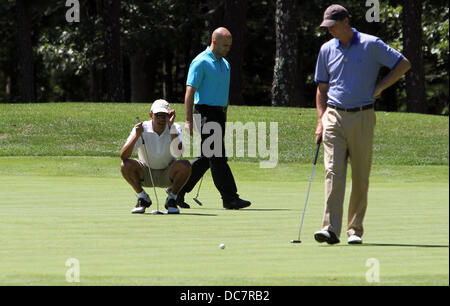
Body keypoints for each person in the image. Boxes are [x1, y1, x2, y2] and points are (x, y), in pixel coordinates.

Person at [313, 4, 411, 244]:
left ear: (346, 21)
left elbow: (403, 64)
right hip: (334, 116)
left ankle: (354, 229)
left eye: (333, 26)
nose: (330, 31)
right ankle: (330, 228)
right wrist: (320, 119)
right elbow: (322, 88)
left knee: (360, 175)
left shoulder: (371, 44)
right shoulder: (326, 49)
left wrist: (380, 87)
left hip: (363, 115)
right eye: (327, 27)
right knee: (333, 172)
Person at [177, 27, 251, 210]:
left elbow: (223, 93)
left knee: (205, 157)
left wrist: (225, 113)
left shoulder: (225, 64)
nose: (228, 49)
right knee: (217, 156)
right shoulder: (200, 62)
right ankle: (230, 197)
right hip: (204, 113)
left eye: (230, 46)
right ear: (214, 42)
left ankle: (176, 189)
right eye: (225, 45)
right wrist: (188, 120)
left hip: (218, 114)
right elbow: (189, 92)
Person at [120, 99, 191, 214]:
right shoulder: (141, 128)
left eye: (165, 115)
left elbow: (179, 153)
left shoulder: (175, 128)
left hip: (167, 174)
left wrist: (171, 127)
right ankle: (142, 197)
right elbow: (123, 156)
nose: (162, 119)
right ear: (151, 115)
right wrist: (136, 136)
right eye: (158, 115)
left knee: (185, 165)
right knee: (125, 165)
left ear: (170, 116)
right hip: (145, 173)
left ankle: (172, 198)